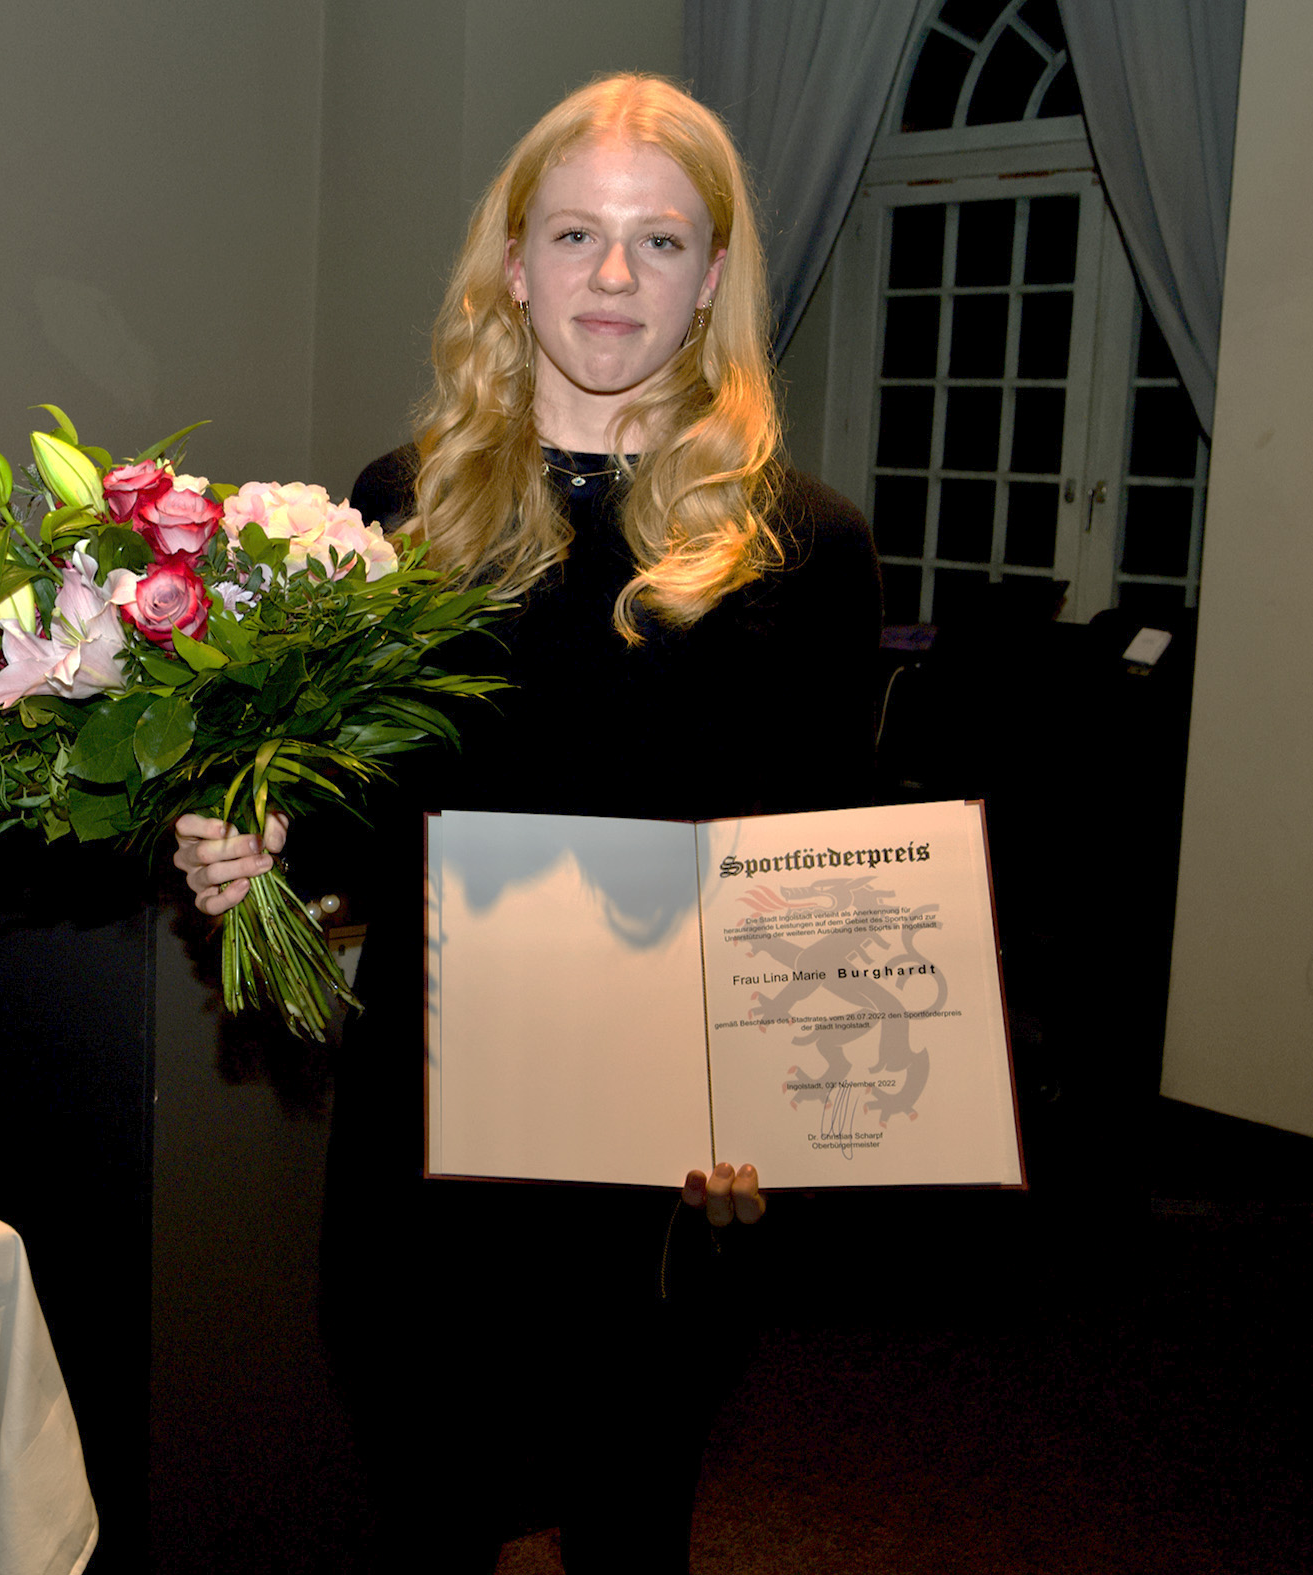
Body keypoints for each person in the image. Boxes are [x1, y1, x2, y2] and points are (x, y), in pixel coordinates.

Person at [174, 75, 881, 1572]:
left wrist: (773, 1100)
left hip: (668, 1144)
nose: (613, 279)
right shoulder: (406, 506)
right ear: (512, 266)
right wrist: (264, 847)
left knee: (630, 1523)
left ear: (711, 279)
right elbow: (374, 817)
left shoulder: (801, 542)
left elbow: (811, 860)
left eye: (659, 243)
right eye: (574, 235)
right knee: (422, 1508)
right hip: (433, 1114)